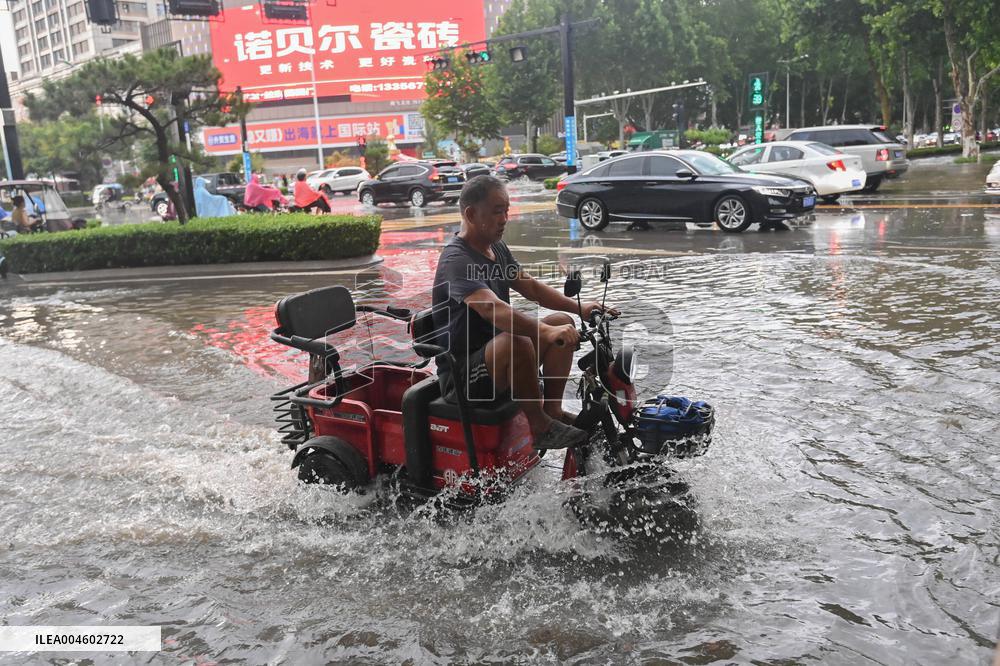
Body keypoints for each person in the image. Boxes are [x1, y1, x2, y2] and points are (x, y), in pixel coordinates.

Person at [431, 175, 619, 451]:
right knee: (519, 339)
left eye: (506, 210)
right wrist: (543, 331)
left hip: (499, 360)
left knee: (561, 321)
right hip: (462, 379)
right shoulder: (456, 259)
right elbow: (490, 308)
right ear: (471, 214)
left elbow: (530, 286)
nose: (505, 218)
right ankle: (539, 426)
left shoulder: (496, 248)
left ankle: (551, 411)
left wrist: (579, 307)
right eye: (497, 211)